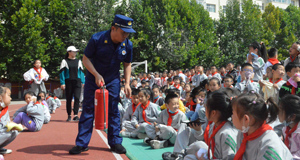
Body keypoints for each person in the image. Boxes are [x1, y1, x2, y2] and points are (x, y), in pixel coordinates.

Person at [69, 14, 135, 155]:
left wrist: (127, 83)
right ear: (113, 28)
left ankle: (115, 142)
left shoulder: (127, 45)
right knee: (88, 110)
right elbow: (86, 59)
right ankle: (82, 143)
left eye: (128, 34)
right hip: (93, 79)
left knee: (113, 110)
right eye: (123, 33)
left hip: (113, 80)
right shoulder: (97, 39)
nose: (126, 36)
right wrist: (96, 74)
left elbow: (127, 64)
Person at [231, 92, 292, 160]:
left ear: (246, 119)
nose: (231, 117)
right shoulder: (243, 134)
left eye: (233, 113)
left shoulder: (269, 146)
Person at [60, 46, 85, 121]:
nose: (75, 53)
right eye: (74, 51)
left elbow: (81, 72)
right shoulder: (64, 61)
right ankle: (69, 115)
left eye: (76, 51)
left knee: (77, 98)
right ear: (69, 52)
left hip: (77, 81)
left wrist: (83, 81)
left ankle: (76, 115)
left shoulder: (79, 61)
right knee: (69, 98)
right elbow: (62, 73)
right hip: (68, 82)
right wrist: (62, 82)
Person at [0, 87, 21, 155]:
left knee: (14, 132)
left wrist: (13, 125)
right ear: (0, 97)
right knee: (7, 132)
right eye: (9, 95)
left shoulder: (4, 110)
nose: (11, 98)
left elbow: (7, 122)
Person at [278, 95, 300, 159]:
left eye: (281, 111)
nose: (278, 113)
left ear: (292, 117)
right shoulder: (286, 129)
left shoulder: (298, 133)